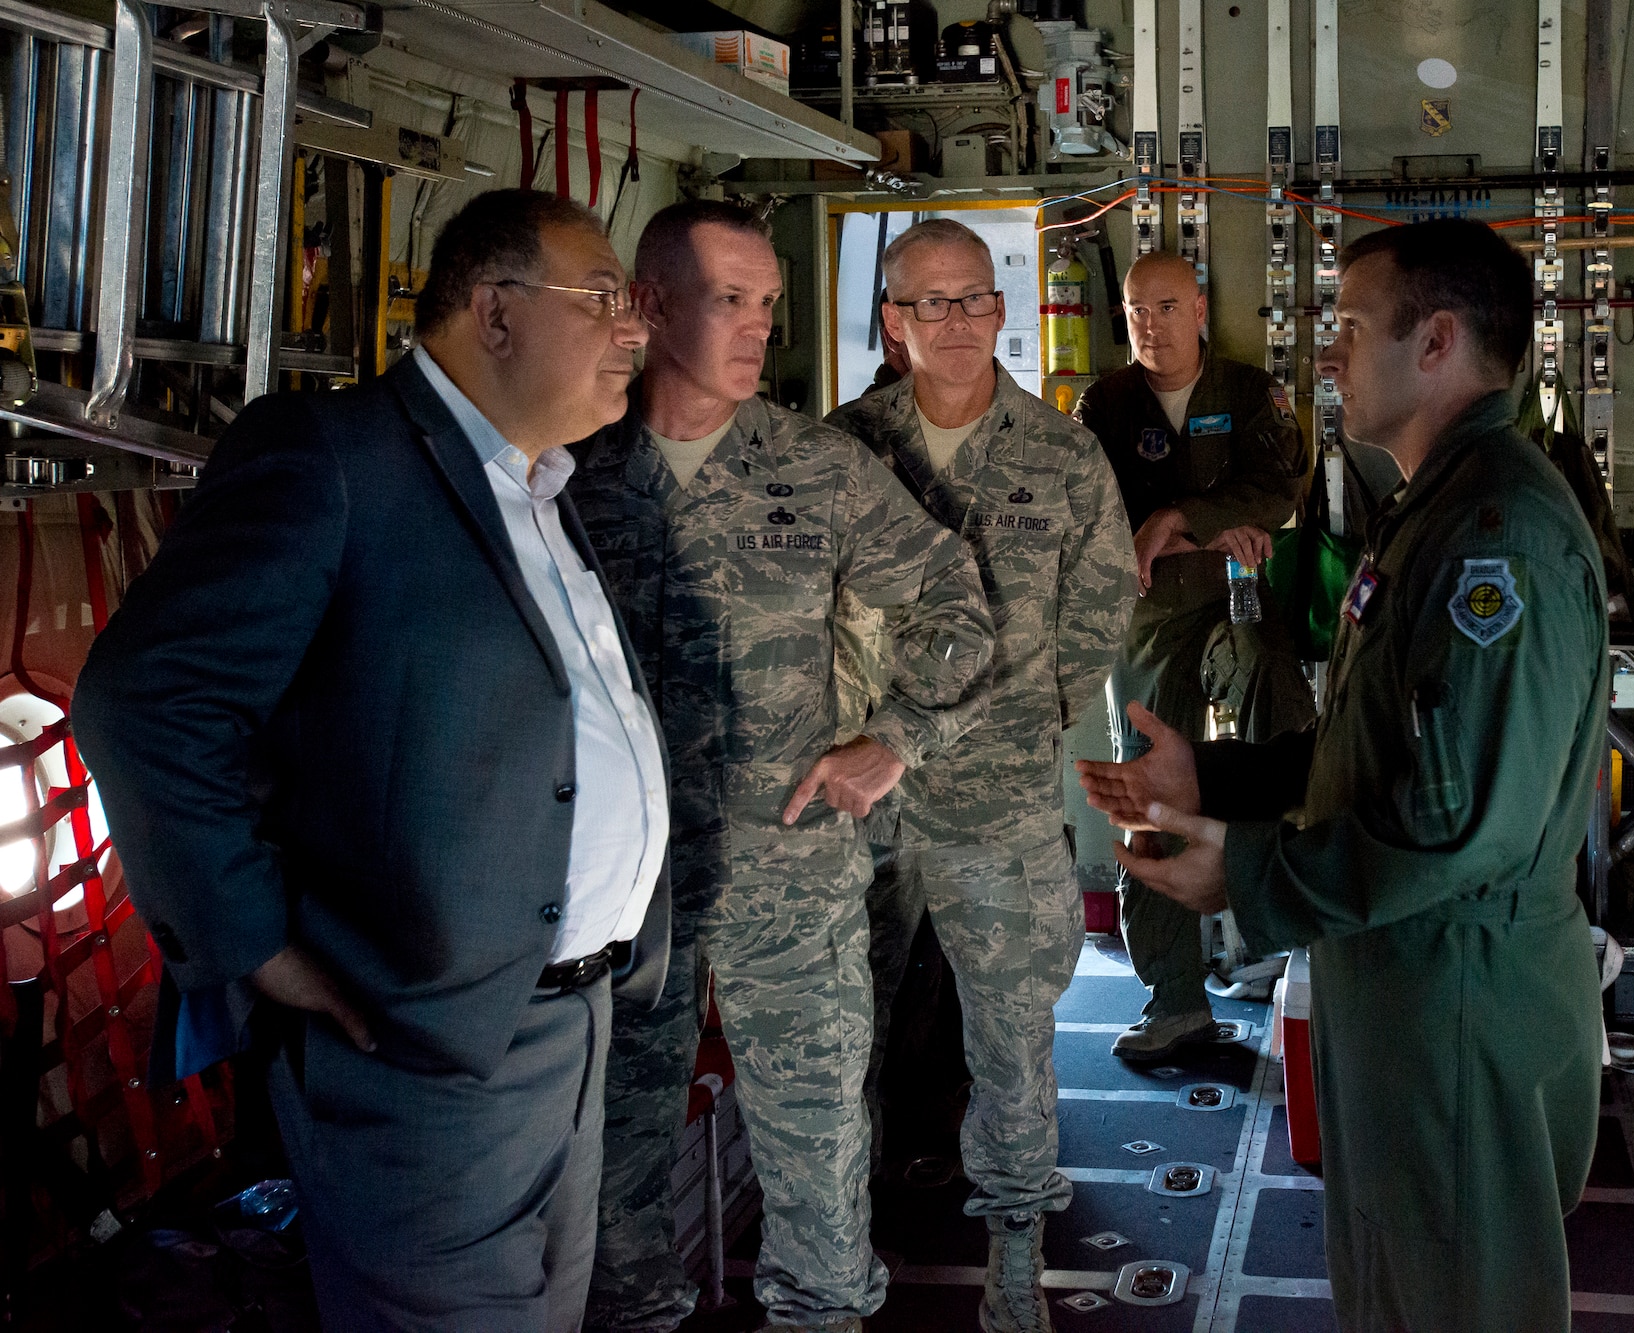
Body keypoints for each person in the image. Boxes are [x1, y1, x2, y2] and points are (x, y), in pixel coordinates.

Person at [71, 190, 666, 1331]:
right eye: (602, 298)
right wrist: (252, 941)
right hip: (420, 1043)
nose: (633, 329)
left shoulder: (541, 484)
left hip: (570, 1026)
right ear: (494, 314)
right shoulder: (332, 459)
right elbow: (148, 697)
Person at [1076, 218, 1609, 1333]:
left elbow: (1455, 828)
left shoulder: (1491, 537)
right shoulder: (1429, 508)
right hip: (1400, 983)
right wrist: (1213, 777)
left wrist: (1251, 879)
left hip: (1456, 1006)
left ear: (1437, 343)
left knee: (1458, 1300)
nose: (1328, 356)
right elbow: (1369, 749)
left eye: (1353, 329)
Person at [569, 201, 994, 1333]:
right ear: (650, 305)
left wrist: (893, 740)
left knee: (814, 1143)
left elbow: (959, 611)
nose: (758, 327)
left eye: (767, 303)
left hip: (787, 871)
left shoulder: (818, 468)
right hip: (619, 894)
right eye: (729, 299)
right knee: (614, 1153)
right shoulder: (564, 470)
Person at [826, 218, 1137, 1333]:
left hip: (996, 793)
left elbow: (1101, 602)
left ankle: (1013, 1239)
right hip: (859, 792)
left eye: (972, 299)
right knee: (832, 1022)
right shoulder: (839, 447)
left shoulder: (1061, 454)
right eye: (928, 303)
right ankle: (835, 1234)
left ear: (1001, 310)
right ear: (892, 320)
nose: (955, 322)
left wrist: (1034, 715)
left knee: (1009, 1032)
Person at [1072, 250, 1316, 1061]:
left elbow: (1279, 487)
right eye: (1138, 311)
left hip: (1236, 594)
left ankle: (1292, 937)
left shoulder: (1247, 393)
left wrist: (1179, 517)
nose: (1151, 325)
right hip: (1145, 618)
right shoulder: (1103, 404)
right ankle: (1174, 999)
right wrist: (1198, 522)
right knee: (1141, 787)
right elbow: (1089, 508)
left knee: (1283, 727)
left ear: (1201, 310)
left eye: (1168, 308)